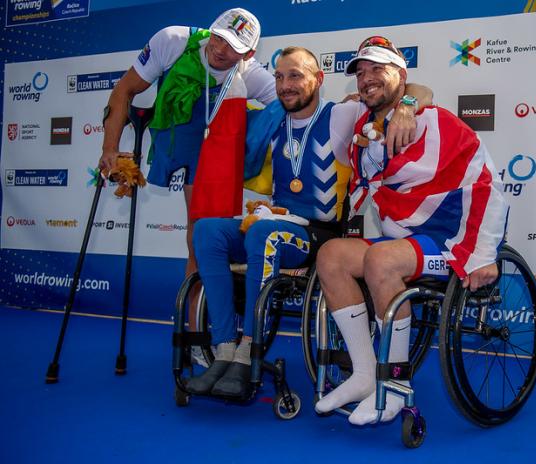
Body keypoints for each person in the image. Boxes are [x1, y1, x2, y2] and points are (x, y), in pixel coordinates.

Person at [185, 46, 432, 397]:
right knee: (208, 230)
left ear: (318, 79)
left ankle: (247, 354)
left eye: (296, 75)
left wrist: (407, 108)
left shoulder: (343, 115)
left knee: (263, 235)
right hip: (275, 223)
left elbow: (418, 92)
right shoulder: (269, 119)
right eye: (280, 77)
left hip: (320, 234)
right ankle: (224, 349)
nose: (286, 85)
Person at [313, 36, 508, 425]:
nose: (366, 79)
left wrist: (485, 254)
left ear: (400, 75)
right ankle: (366, 374)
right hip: (404, 237)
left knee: (381, 260)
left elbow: (485, 183)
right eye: (361, 72)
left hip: (450, 239)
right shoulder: (362, 125)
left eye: (377, 70)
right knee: (331, 255)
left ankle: (397, 385)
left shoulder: (435, 121)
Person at [98, 8, 275, 336]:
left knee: (200, 237)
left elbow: (294, 104)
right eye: (218, 37)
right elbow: (124, 90)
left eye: (233, 46)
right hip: (172, 137)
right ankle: (195, 331)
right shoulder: (173, 41)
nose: (220, 49)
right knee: (200, 236)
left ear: (249, 53)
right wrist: (109, 149)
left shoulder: (249, 74)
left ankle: (196, 331)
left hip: (209, 153)